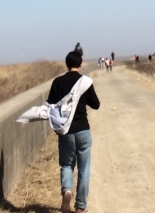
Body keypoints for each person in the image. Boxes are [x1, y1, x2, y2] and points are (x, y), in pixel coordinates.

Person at [48, 49, 100, 213]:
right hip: (83, 130)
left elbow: (50, 106)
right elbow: (96, 104)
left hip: (66, 132)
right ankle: (80, 207)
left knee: (67, 165)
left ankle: (67, 190)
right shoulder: (85, 82)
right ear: (80, 63)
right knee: (84, 170)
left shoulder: (57, 82)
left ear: (67, 64)